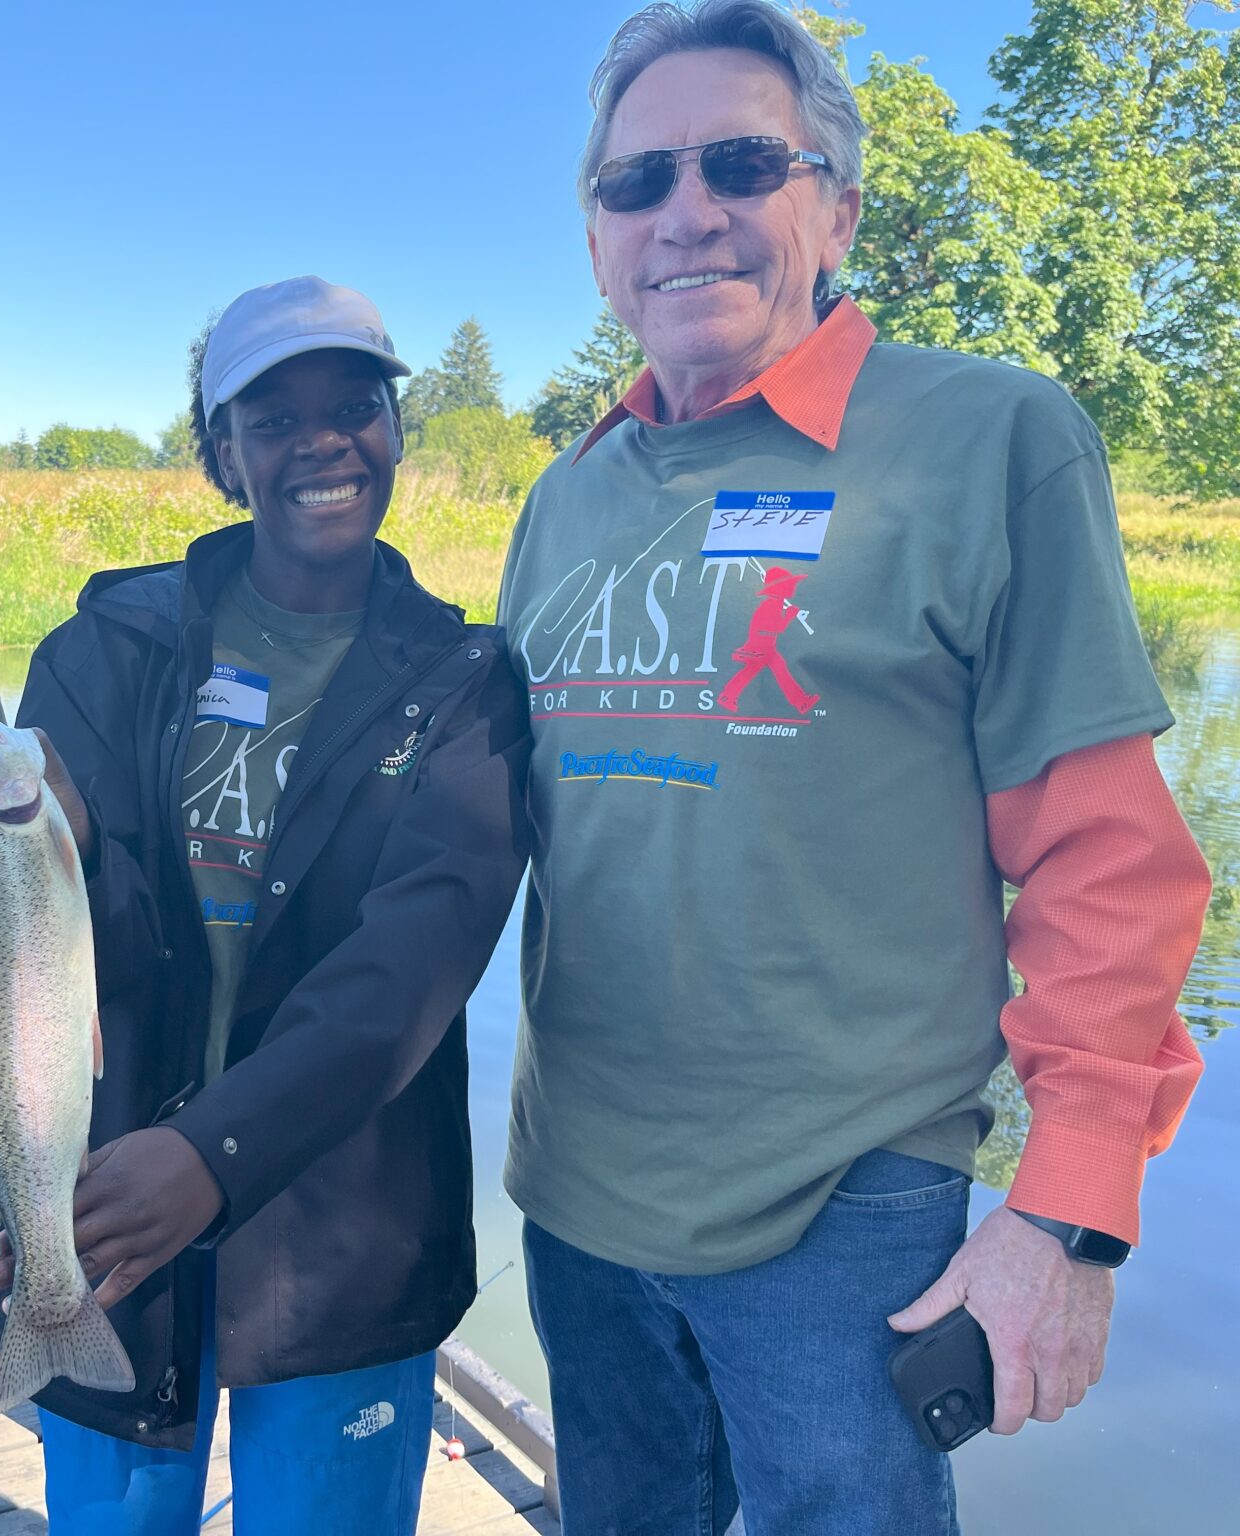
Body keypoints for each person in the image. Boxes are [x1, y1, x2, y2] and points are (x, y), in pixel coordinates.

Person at [495, 5, 1215, 1532]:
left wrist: (1070, 1221)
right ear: (597, 239)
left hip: (847, 1214)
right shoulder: (564, 497)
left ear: (839, 205)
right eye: (636, 182)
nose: (687, 211)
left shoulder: (990, 441)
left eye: (744, 163)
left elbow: (1110, 861)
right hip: (577, 1200)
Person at [0, 276, 531, 1535]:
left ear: (394, 429)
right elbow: (46, 898)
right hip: (104, 1203)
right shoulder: (111, 640)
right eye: (272, 416)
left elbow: (406, 973)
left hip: (344, 1220)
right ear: (219, 451)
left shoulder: (464, 681)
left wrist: (215, 1154)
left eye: (353, 404)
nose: (321, 440)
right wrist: (33, 819)